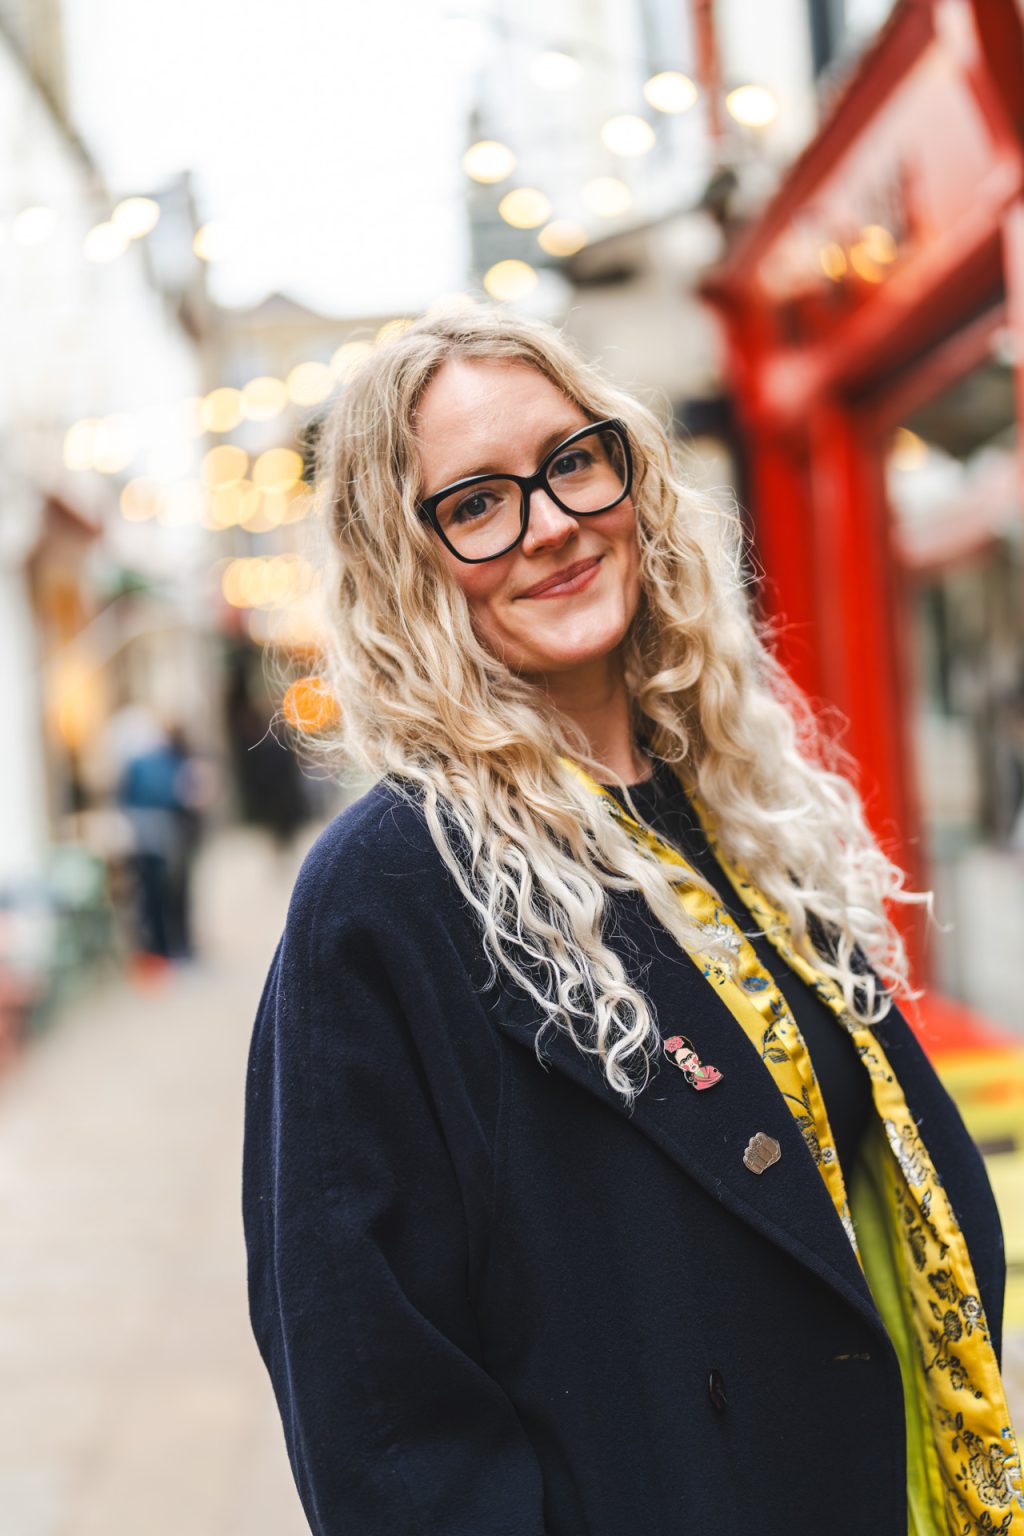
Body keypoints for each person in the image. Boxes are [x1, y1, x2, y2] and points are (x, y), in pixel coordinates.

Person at [242, 308, 1023, 1536]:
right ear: (403, 562)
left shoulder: (732, 800)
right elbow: (380, 1416)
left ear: (630, 474)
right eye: (476, 503)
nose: (551, 522)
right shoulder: (386, 890)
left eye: (571, 462)